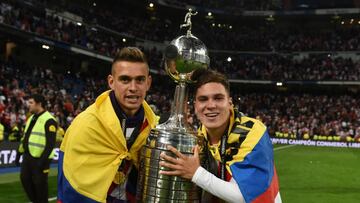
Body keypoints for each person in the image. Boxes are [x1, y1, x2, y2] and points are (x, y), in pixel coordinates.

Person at [160, 69, 281, 203]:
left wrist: (196, 173)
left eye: (218, 98)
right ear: (195, 106)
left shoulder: (251, 132)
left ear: (230, 103)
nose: (211, 105)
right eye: (203, 99)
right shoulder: (200, 134)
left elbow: (245, 196)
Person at [57, 47, 158, 203]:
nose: (133, 87)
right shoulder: (86, 125)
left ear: (148, 83)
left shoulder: (154, 128)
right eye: (125, 79)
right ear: (111, 82)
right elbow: (71, 186)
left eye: (140, 80)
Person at [19, 94, 58, 203]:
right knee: (25, 180)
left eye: (31, 102)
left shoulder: (49, 120)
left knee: (40, 186)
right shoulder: (31, 118)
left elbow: (51, 144)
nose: (29, 105)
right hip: (28, 156)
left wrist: (42, 161)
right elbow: (25, 137)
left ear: (39, 104)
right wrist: (19, 152)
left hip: (41, 159)